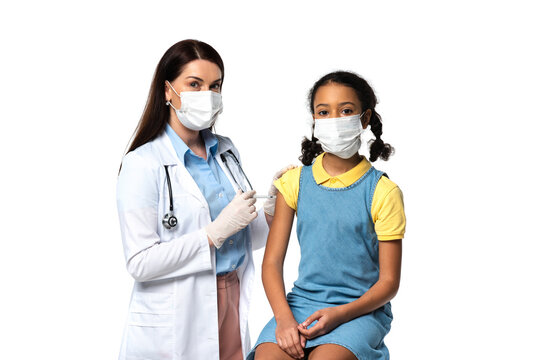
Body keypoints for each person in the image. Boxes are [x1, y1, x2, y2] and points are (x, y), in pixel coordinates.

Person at [116, 39, 291, 360]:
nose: (206, 96)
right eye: (194, 84)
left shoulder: (225, 150)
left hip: (230, 297)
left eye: (215, 86)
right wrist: (211, 235)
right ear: (168, 90)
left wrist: (271, 211)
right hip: (178, 310)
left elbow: (241, 238)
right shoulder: (142, 163)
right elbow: (140, 263)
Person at [248, 71, 406, 360]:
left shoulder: (383, 192)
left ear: (364, 118)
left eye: (345, 110)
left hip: (359, 310)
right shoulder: (293, 183)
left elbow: (389, 282)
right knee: (268, 356)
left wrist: (339, 314)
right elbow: (271, 263)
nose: (334, 119)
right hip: (301, 304)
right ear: (314, 119)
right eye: (324, 112)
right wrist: (283, 320)